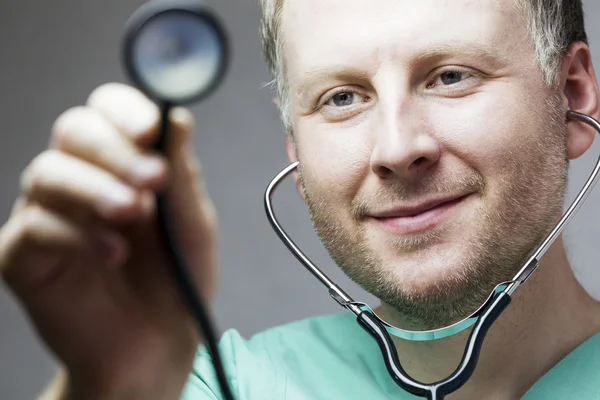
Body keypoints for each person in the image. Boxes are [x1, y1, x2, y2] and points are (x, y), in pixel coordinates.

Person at [2, 0, 600, 398]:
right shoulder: (202, 383)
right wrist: (112, 387)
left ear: (570, 93)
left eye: (451, 76)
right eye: (341, 98)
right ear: (295, 146)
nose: (396, 147)